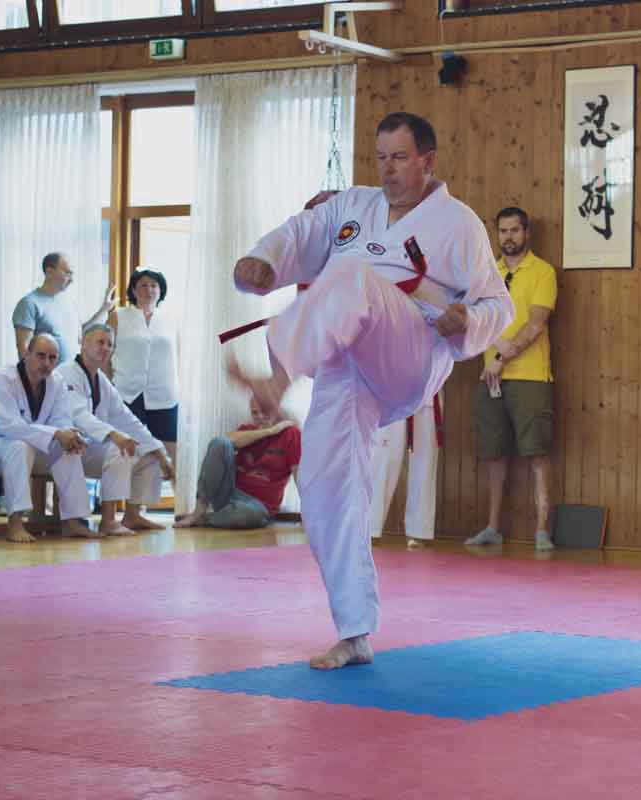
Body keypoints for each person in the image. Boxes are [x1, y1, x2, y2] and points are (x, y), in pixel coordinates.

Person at [226, 111, 513, 669]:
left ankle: (277, 380)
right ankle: (354, 631)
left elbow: (498, 305)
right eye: (381, 157)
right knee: (322, 485)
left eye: (400, 157)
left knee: (353, 275)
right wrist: (262, 261)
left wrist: (467, 320)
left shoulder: (458, 224)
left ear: (428, 161)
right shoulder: (351, 207)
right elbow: (299, 234)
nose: (388, 169)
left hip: (412, 350)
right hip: (346, 361)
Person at [466, 207, 558, 551]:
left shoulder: (542, 271)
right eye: (503, 231)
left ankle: (541, 531)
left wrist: (502, 357)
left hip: (530, 376)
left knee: (537, 452)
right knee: (494, 453)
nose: (508, 237)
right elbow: (474, 320)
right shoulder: (489, 274)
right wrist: (493, 349)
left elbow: (536, 324)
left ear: (526, 232)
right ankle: (493, 527)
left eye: (514, 230)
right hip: (490, 377)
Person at [0, 334, 96, 542]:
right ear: (27, 354)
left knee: (67, 449)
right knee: (20, 446)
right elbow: (10, 426)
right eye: (41, 356)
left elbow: (61, 419)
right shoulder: (3, 378)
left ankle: (72, 521)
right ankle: (15, 523)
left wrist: (70, 434)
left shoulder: (57, 382)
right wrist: (55, 433)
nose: (47, 363)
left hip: (29, 444)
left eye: (52, 358)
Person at [58, 323, 173, 535]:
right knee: (117, 449)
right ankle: (109, 521)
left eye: (110, 344)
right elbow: (78, 415)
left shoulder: (102, 381)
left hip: (88, 449)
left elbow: (126, 418)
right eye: (100, 342)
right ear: (83, 343)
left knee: (148, 454)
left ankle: (132, 515)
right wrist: (113, 434)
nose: (105, 348)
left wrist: (160, 452)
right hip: (65, 448)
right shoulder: (66, 372)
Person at [175, 396, 300, 530]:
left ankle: (208, 519)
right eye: (254, 412)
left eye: (264, 411)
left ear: (275, 409)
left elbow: (299, 474)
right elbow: (227, 440)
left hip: (258, 507)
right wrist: (269, 431)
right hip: (229, 493)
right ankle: (198, 511)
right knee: (219, 443)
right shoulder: (247, 429)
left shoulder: (290, 433)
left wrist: (308, 514)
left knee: (248, 515)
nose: (260, 416)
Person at [108, 268, 179, 470]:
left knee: (172, 454)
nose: (149, 290)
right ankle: (128, 492)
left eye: (154, 285)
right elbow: (105, 352)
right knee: (126, 453)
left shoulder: (171, 319)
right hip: (126, 393)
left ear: (161, 290)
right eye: (143, 285)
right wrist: (107, 383)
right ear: (133, 290)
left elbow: (180, 356)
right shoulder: (118, 316)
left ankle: (179, 490)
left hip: (163, 394)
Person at [368, 395, 442, 550]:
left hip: (427, 392)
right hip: (392, 392)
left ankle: (419, 530)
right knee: (384, 458)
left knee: (424, 460)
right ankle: (370, 527)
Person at [12, 252, 115, 363]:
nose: (71, 279)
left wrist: (104, 309)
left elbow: (80, 335)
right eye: (68, 273)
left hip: (72, 372)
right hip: (46, 373)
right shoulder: (29, 304)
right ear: (49, 272)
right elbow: (24, 350)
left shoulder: (70, 302)